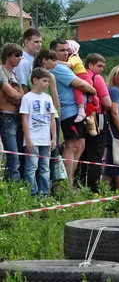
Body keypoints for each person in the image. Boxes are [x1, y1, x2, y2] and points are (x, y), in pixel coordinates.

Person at [49, 38, 96, 187]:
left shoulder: (68, 65)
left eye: (67, 50)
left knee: (80, 145)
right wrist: (94, 90)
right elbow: (81, 84)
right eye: (61, 50)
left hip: (78, 110)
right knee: (72, 145)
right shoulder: (58, 67)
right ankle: (66, 185)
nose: (65, 53)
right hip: (69, 111)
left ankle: (69, 181)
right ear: (53, 52)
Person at [78, 53, 113, 192]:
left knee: (82, 154)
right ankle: (93, 188)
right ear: (90, 65)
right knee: (96, 155)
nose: (102, 69)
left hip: (81, 119)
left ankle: (78, 183)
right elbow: (107, 103)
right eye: (99, 66)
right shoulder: (95, 77)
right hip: (97, 120)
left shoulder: (79, 76)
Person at [20, 67, 57, 196]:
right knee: (31, 167)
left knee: (45, 168)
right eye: (45, 81)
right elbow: (24, 120)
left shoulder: (48, 98)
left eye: (48, 81)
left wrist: (54, 138)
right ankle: (32, 194)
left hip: (45, 139)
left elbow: (52, 119)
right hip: (33, 138)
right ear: (35, 80)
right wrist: (28, 139)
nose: (47, 84)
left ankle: (44, 194)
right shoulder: (27, 98)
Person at [101, 65, 119, 191]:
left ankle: (102, 193)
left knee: (110, 166)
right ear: (115, 77)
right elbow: (114, 112)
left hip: (117, 132)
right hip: (117, 133)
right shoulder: (114, 91)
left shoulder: (117, 91)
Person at [33, 50, 61, 184]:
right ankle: (50, 186)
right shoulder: (50, 76)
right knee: (50, 153)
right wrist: (58, 114)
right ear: (45, 61)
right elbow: (56, 100)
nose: (55, 63)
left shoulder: (31, 75)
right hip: (51, 116)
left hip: (36, 117)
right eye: (53, 60)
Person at [0, 43, 24, 181]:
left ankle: (10, 188)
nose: (20, 58)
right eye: (16, 55)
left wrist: (17, 97)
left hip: (16, 117)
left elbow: (18, 95)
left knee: (16, 157)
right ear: (7, 56)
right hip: (6, 117)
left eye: (20, 55)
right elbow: (11, 93)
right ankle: (11, 191)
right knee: (13, 157)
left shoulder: (14, 75)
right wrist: (18, 97)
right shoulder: (1, 71)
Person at [57, 40, 97, 123]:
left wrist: (56, 62)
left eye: (67, 50)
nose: (66, 53)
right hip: (82, 77)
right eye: (63, 50)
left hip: (83, 77)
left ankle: (81, 110)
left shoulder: (74, 57)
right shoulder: (73, 58)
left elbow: (68, 65)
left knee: (76, 90)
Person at [14, 28, 42, 93]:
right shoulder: (23, 61)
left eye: (40, 42)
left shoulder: (31, 58)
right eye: (36, 42)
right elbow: (23, 86)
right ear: (26, 42)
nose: (40, 45)